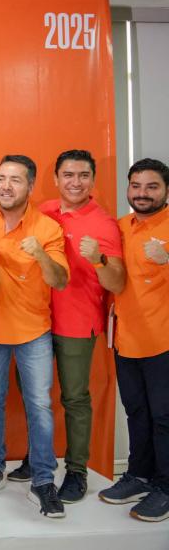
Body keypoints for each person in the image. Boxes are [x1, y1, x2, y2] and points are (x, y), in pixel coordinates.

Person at [26, 150, 125, 503]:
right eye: (68, 175)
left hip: (78, 323)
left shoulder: (104, 224)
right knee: (35, 396)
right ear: (56, 178)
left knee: (74, 398)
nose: (75, 182)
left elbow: (117, 283)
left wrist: (98, 259)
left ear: (93, 180)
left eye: (83, 175)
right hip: (36, 319)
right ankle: (36, 459)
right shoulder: (44, 211)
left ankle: (77, 470)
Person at [0, 154, 68, 518]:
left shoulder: (47, 227)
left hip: (33, 330)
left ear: (30, 186)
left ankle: (43, 481)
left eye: (15, 180)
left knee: (39, 404)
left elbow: (59, 280)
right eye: (1, 178)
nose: (6, 186)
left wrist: (41, 254)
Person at [98, 158, 169, 523]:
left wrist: (167, 259)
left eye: (152, 187)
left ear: (166, 190)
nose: (142, 193)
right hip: (126, 339)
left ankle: (165, 487)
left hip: (164, 342)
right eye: (136, 186)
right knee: (136, 412)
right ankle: (140, 475)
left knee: (164, 418)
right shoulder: (120, 227)